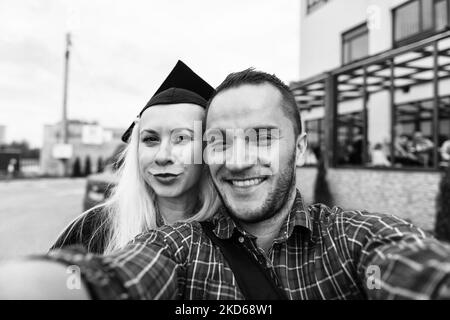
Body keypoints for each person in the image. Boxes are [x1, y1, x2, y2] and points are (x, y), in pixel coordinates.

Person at [1, 68, 450, 300]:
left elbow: (411, 266)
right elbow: (108, 278)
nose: (237, 160)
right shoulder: (177, 247)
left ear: (301, 147)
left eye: (262, 137)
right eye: (219, 141)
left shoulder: (355, 239)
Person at [51, 60, 220, 254]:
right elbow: (68, 282)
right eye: (150, 139)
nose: (162, 156)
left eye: (181, 138)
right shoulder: (90, 229)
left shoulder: (235, 235)